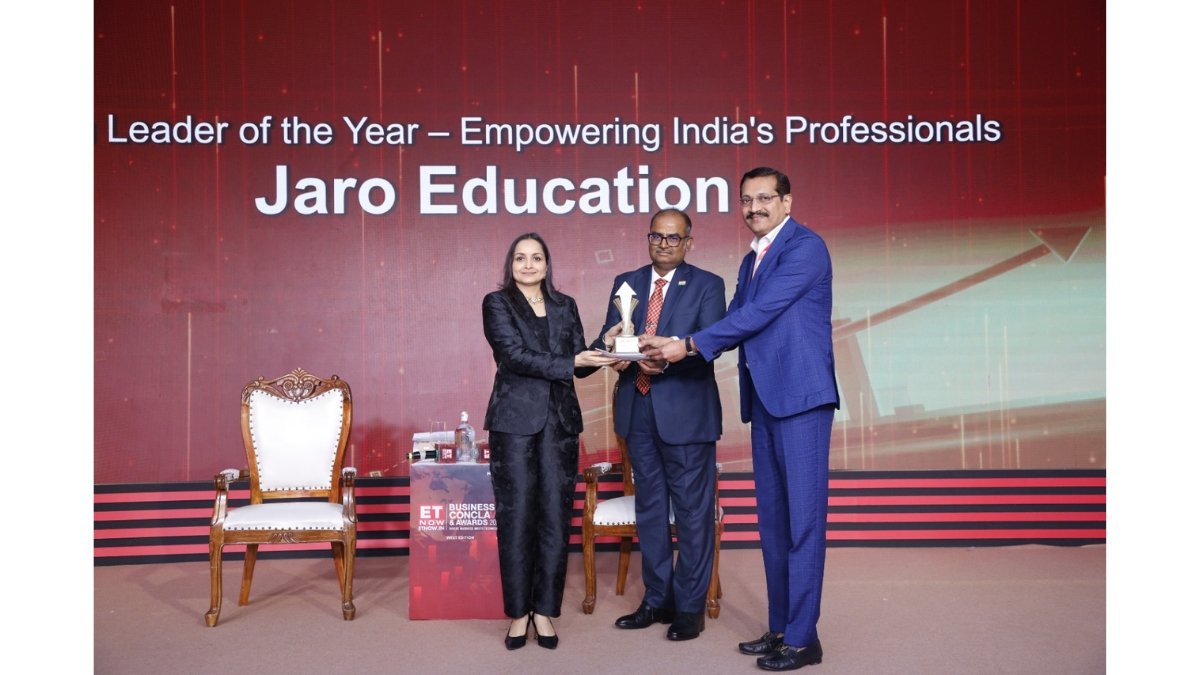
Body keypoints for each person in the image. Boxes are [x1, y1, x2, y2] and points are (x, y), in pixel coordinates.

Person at [641, 167, 839, 671]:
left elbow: (760, 314)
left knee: (803, 525)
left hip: (801, 400)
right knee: (774, 523)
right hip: (766, 401)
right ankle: (781, 628)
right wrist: (673, 345)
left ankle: (804, 639)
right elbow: (730, 323)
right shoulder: (753, 259)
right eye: (747, 200)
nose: (755, 208)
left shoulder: (805, 248)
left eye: (765, 198)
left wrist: (686, 346)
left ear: (787, 202)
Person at [592, 208, 726, 642]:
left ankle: (689, 607)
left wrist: (668, 358)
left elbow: (712, 345)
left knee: (691, 513)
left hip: (685, 413)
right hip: (637, 409)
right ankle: (656, 599)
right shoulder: (626, 282)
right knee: (649, 509)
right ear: (648, 238)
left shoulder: (707, 284)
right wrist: (610, 350)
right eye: (657, 236)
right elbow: (609, 336)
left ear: (689, 242)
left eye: (673, 237)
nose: (664, 244)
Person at [482, 232, 617, 651]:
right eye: (520, 258)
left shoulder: (565, 305)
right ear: (511, 264)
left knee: (556, 519)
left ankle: (544, 611)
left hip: (560, 425)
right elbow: (513, 356)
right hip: (514, 423)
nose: (528, 265)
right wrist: (572, 360)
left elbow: (577, 365)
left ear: (546, 264)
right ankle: (518, 613)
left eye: (536, 258)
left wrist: (605, 347)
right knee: (517, 517)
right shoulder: (497, 303)